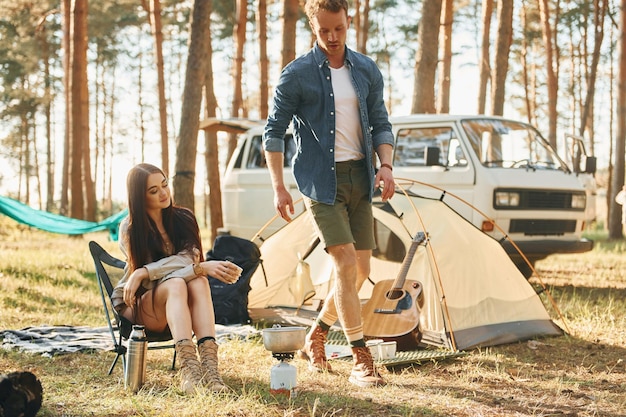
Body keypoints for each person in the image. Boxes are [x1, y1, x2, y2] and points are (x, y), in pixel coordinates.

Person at [263, 0, 395, 387]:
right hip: (320, 181)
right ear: (313, 27)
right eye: (324, 31)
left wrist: (385, 165)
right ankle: (360, 357)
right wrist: (278, 186)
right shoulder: (297, 75)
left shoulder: (367, 69)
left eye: (338, 28)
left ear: (348, 21)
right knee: (344, 262)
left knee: (363, 269)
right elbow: (273, 133)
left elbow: (381, 122)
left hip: (361, 176)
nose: (333, 37)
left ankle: (316, 334)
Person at [111, 163, 243, 394]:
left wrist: (147, 270)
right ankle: (189, 373)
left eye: (164, 184)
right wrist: (145, 274)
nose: (164, 193)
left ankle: (211, 372)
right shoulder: (130, 228)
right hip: (138, 305)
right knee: (177, 283)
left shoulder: (183, 219)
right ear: (139, 197)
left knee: (197, 281)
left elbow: (188, 259)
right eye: (153, 191)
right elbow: (155, 281)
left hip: (174, 303)